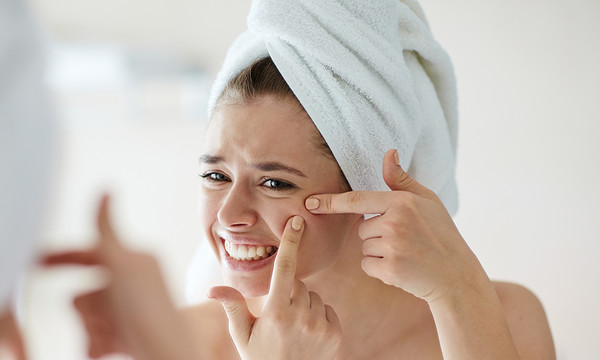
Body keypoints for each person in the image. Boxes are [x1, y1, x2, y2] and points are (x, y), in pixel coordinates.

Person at [47, 0, 556, 359]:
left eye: (274, 183)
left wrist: (459, 289)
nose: (228, 216)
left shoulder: (500, 318)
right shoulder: (190, 345)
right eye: (215, 174)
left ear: (364, 192)